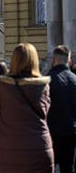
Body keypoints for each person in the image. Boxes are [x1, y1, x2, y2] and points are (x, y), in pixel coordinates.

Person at [0, 43, 54, 173]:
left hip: (8, 149)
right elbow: (45, 113)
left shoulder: (2, 85)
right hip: (39, 147)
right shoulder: (43, 86)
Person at [47, 45, 76, 173]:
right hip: (71, 132)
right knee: (68, 167)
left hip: (52, 133)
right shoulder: (75, 79)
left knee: (49, 167)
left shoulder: (48, 79)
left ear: (54, 59)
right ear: (69, 61)